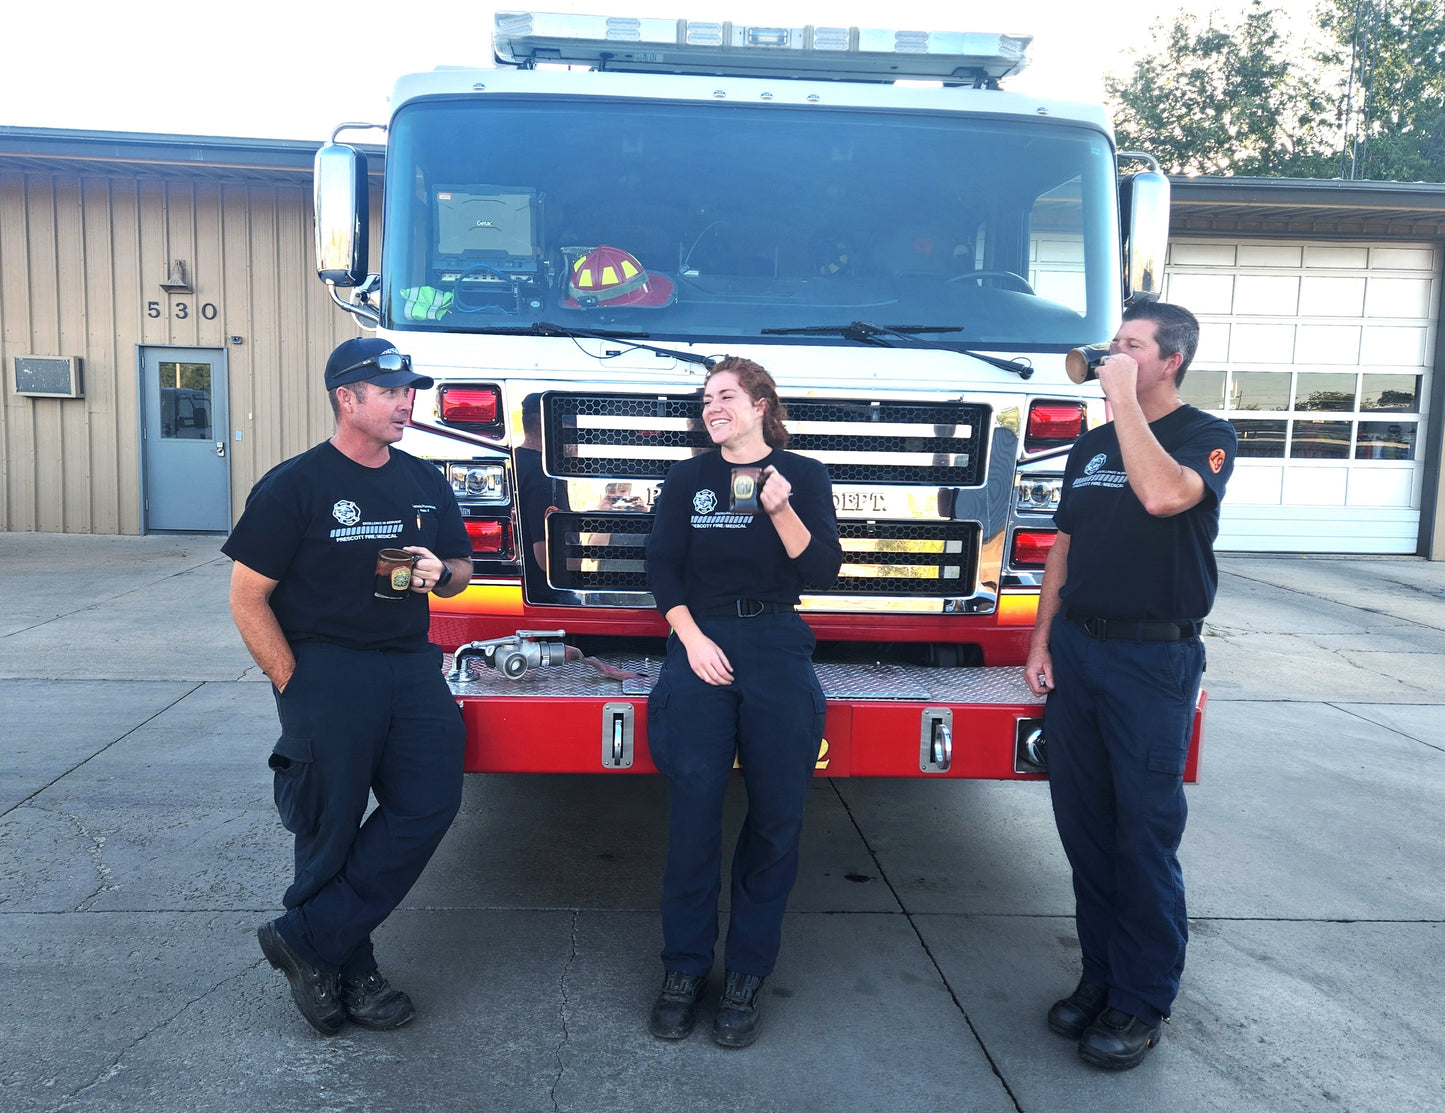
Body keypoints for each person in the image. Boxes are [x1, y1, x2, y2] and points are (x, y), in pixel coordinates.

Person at [224, 337, 472, 1036]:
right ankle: (349, 968)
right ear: (347, 397)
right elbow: (247, 597)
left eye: (409, 390)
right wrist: (292, 684)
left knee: (429, 802)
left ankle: (309, 937)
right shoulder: (294, 484)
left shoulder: (425, 478)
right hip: (326, 669)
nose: (407, 402)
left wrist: (440, 573)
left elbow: (461, 568)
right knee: (327, 826)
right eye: (391, 391)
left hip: (410, 664)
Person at [1024, 301, 1236, 1070]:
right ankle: (1100, 976)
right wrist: (1041, 638)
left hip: (1153, 661)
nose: (1113, 353)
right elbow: (1063, 547)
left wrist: (1118, 401)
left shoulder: (1205, 437)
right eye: (1113, 343)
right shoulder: (1088, 446)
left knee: (1143, 835)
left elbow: (1161, 496)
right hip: (1079, 653)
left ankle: (1142, 1000)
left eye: (1130, 345)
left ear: (1169, 359)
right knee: (1086, 829)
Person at [643, 356, 842, 1048]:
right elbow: (661, 565)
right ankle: (683, 969)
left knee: (777, 816)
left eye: (725, 395)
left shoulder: (804, 476)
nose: (712, 407)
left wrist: (778, 506)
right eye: (706, 398)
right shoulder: (687, 477)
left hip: (777, 642)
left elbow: (821, 569)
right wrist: (691, 639)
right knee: (694, 812)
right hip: (701, 642)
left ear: (761, 404)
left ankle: (745, 974)